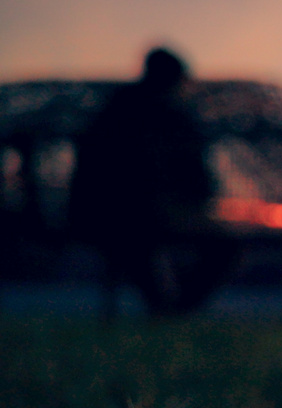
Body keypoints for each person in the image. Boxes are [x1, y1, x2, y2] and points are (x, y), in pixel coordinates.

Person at [69, 46, 237, 316]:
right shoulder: (171, 117)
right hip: (141, 214)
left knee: (139, 237)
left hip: (99, 213)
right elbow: (198, 180)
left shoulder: (115, 109)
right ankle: (174, 308)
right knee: (222, 247)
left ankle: (167, 306)